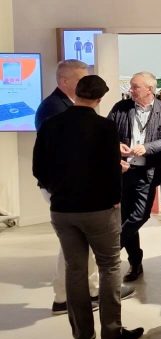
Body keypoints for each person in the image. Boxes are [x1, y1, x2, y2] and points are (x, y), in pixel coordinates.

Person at [33, 75, 144, 339]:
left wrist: (58, 189)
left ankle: (82, 335)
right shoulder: (104, 127)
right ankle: (111, 331)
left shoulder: (50, 125)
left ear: (76, 94)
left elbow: (39, 169)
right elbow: (110, 170)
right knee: (110, 266)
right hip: (98, 209)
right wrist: (115, 198)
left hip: (62, 209)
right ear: (99, 99)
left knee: (75, 269)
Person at [35, 59, 102, 313]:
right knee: (76, 244)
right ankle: (77, 295)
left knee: (74, 244)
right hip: (66, 189)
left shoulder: (61, 106)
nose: (86, 85)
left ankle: (72, 295)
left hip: (67, 187)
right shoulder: (54, 109)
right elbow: (61, 155)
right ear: (64, 81)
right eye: (81, 80)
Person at [108, 71, 161, 281]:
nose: (130, 90)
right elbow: (106, 134)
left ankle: (111, 248)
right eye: (131, 86)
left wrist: (148, 147)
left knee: (140, 215)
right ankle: (135, 263)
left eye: (135, 86)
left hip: (148, 172)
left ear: (149, 89)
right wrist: (115, 148)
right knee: (126, 216)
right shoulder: (121, 108)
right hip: (124, 171)